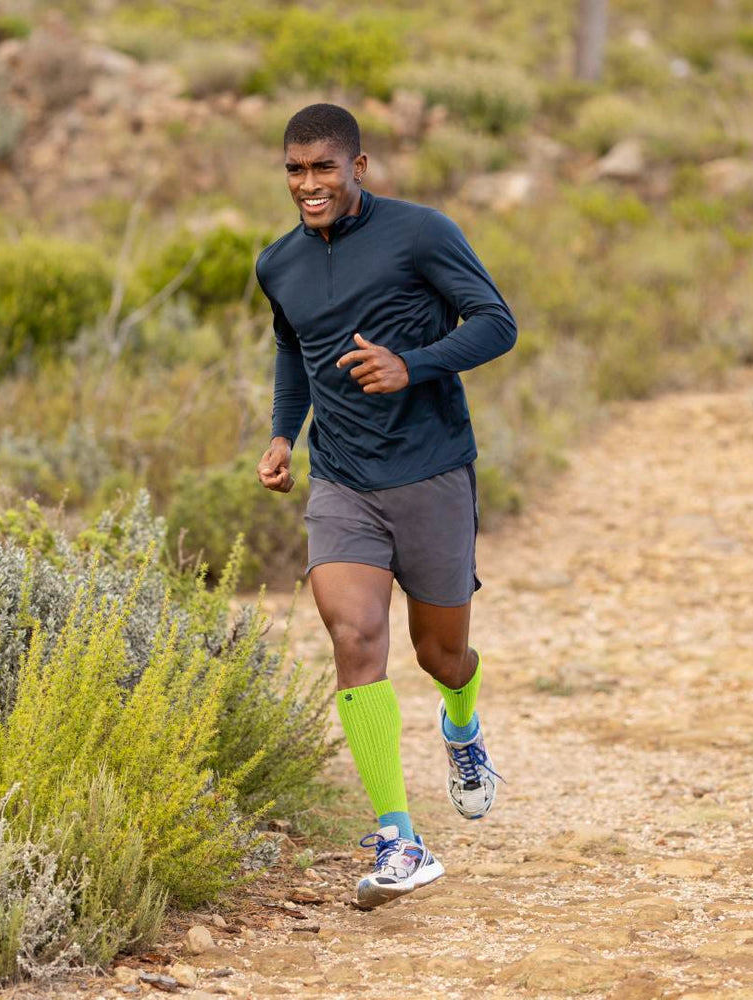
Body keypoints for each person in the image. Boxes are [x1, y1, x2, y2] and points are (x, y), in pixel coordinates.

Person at [254, 103, 517, 909]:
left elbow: (497, 324)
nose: (309, 184)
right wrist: (281, 436)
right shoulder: (277, 263)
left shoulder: (421, 233)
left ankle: (462, 729)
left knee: (442, 657)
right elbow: (292, 352)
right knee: (354, 633)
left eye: (324, 168)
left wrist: (414, 365)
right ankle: (400, 837)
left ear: (358, 168)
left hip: (432, 470)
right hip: (342, 482)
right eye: (295, 169)